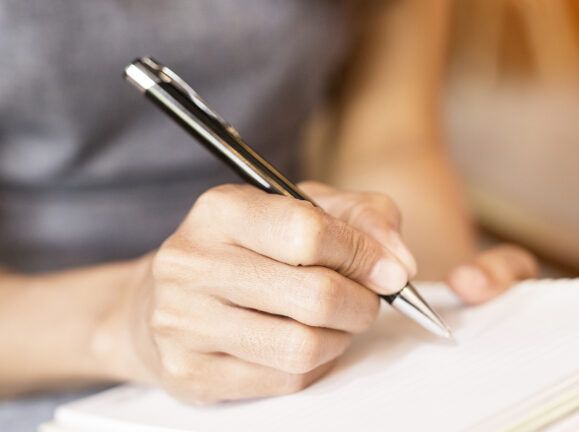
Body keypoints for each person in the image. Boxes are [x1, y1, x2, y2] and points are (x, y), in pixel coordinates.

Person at [0, 1, 537, 428]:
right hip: (40, 359)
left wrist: (436, 281)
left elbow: (393, 145)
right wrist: (123, 322)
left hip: (304, 320)